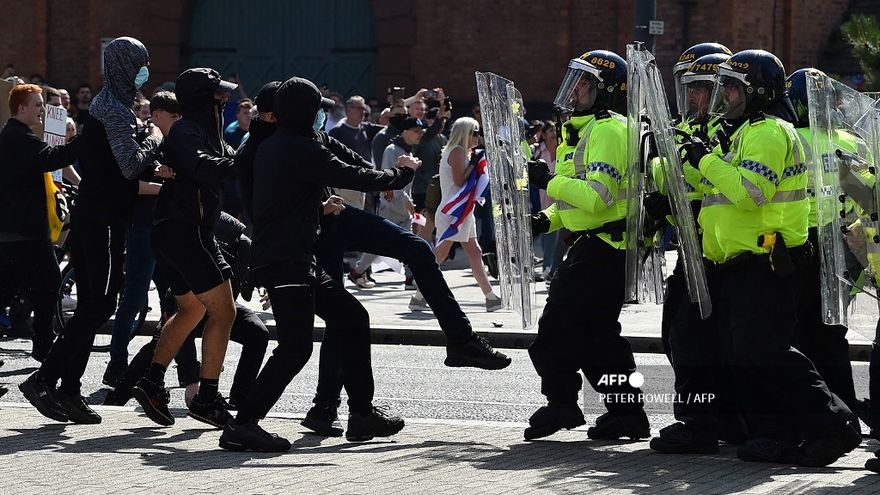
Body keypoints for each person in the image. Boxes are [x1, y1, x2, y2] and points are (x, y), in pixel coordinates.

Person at [672, 50, 859, 466]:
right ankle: (774, 434)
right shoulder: (739, 132)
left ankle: (834, 425)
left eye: (731, 87)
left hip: (766, 260)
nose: (723, 95)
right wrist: (684, 154)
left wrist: (704, 159)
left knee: (767, 351)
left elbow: (750, 191)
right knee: (744, 354)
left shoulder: (769, 132)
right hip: (735, 262)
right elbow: (710, 185)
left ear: (755, 92)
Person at [219, 76, 417, 452]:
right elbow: (354, 175)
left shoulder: (274, 144)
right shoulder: (297, 147)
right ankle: (242, 424)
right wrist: (401, 175)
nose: (319, 118)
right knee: (296, 347)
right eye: (315, 110)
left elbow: (290, 196)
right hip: (286, 258)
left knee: (352, 318)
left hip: (295, 256)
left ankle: (361, 413)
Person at [19, 36, 162, 425]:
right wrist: (155, 138)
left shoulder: (111, 104)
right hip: (103, 220)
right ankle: (44, 380)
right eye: (141, 62)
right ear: (125, 65)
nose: (145, 70)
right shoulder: (114, 108)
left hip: (100, 217)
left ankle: (68, 390)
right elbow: (130, 165)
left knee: (92, 306)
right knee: (100, 305)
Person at [527, 50, 650, 442]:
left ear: (607, 91)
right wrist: (544, 220)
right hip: (596, 244)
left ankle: (562, 403)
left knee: (555, 331)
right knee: (599, 339)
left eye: (584, 83)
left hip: (604, 249)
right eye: (574, 80)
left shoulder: (609, 130)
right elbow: (577, 203)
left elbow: (597, 197)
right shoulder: (582, 130)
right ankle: (627, 415)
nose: (574, 89)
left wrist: (548, 181)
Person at [132, 68, 240, 429]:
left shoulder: (206, 131)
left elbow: (232, 159)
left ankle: (151, 383)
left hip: (179, 232)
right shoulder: (185, 131)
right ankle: (206, 398)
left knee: (191, 310)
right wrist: (245, 160)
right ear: (202, 99)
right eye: (219, 95)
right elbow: (204, 166)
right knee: (224, 313)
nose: (225, 99)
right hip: (186, 233)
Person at [105, 212, 268, 412]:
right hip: (187, 297)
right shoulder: (216, 237)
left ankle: (238, 400)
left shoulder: (245, 247)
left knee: (257, 333)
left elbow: (242, 295)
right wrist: (191, 380)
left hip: (214, 301)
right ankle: (119, 397)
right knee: (163, 343)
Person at [784, 68, 859, 413]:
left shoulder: (790, 138)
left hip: (802, 242)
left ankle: (814, 413)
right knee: (832, 332)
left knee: (798, 332)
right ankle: (845, 409)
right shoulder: (851, 141)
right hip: (846, 243)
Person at [102, 91, 180, 387]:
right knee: (134, 297)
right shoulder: (141, 140)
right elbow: (131, 184)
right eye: (173, 116)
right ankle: (117, 364)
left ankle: (166, 365)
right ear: (156, 115)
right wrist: (167, 186)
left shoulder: (169, 142)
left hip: (163, 228)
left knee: (172, 299)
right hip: (143, 228)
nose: (178, 122)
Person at [0, 84, 80, 362]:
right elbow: (54, 157)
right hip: (26, 233)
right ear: (21, 108)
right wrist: (84, 139)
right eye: (37, 104)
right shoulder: (18, 138)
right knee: (49, 284)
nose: (42, 109)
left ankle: (43, 343)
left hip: (17, 231)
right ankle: (44, 345)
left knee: (10, 288)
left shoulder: (15, 136)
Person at [414, 117, 501, 311]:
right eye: (474, 132)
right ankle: (419, 296)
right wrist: (474, 164)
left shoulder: (460, 151)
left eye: (478, 132)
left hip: (462, 211)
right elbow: (460, 181)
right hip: (454, 212)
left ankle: (491, 298)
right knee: (441, 255)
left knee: (474, 252)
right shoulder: (457, 151)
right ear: (464, 133)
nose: (477, 136)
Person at [328, 96, 384, 209]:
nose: (363, 112)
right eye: (359, 108)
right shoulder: (337, 131)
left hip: (367, 183)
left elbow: (389, 130)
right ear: (349, 109)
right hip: (348, 187)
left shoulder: (365, 128)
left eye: (364, 108)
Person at [532, 121, 559, 281]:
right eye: (551, 130)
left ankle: (550, 266)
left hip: (560, 195)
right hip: (541, 197)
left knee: (555, 234)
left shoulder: (563, 148)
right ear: (543, 134)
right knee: (546, 232)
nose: (554, 133)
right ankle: (547, 266)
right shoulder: (537, 151)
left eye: (555, 130)